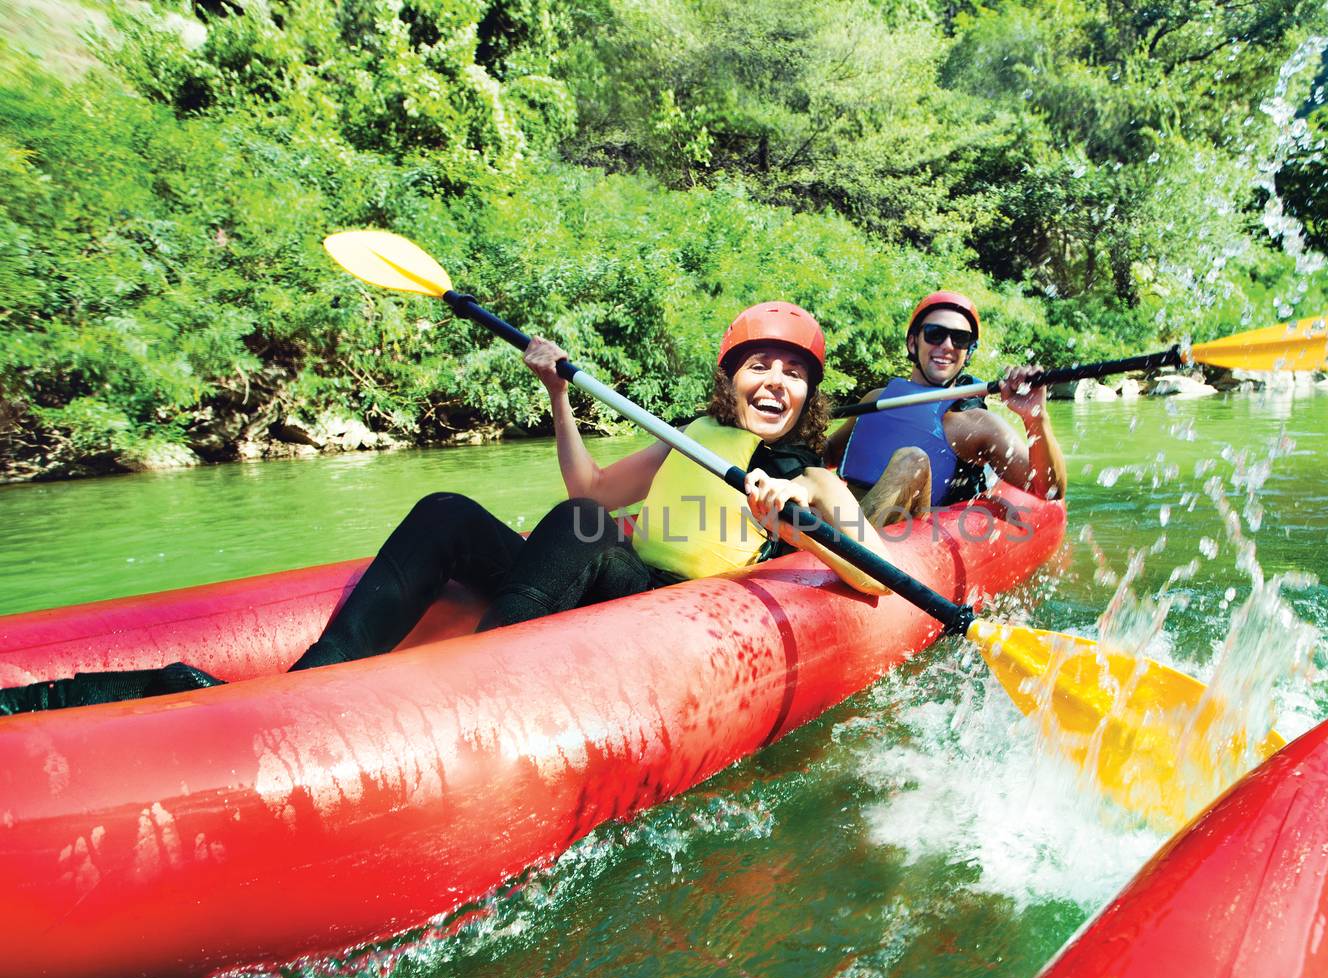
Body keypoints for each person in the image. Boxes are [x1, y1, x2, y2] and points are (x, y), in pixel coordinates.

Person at [1, 302, 887, 714]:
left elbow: (873, 577)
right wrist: (556, 394)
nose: (774, 380)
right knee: (448, 509)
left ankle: (469, 691)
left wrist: (792, 519)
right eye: (758, 364)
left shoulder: (805, 472)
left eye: (794, 370)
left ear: (808, 392)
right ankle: (315, 680)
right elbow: (587, 490)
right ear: (730, 377)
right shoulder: (685, 435)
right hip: (600, 583)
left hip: (668, 615)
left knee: (581, 533)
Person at [825, 291, 1068, 524]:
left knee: (911, 460)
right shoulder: (876, 399)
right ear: (912, 343)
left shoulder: (976, 425)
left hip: (900, 535)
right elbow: (825, 455)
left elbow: (1049, 491)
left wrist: (1036, 419)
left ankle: (847, 547)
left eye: (959, 339)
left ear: (968, 352)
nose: (947, 345)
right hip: (846, 514)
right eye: (934, 334)